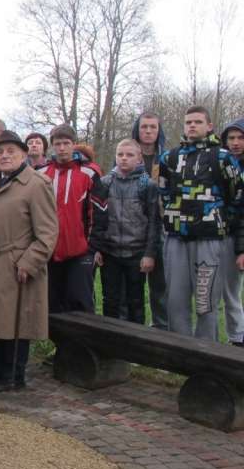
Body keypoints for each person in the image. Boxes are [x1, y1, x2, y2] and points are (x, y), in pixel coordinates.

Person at [0, 130, 58, 391]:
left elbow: (48, 232)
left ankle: (14, 374)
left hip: (16, 265)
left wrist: (29, 262)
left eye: (11, 151)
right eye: (0, 152)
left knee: (16, 323)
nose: (4, 155)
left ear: (23, 154)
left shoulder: (36, 184)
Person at [159, 106, 244, 340]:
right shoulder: (169, 157)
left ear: (209, 126)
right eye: (188, 122)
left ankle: (206, 353)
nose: (192, 126)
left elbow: (236, 195)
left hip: (210, 239)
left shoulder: (223, 157)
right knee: (175, 299)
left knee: (206, 300)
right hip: (176, 238)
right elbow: (164, 193)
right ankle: (179, 352)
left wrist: (220, 220)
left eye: (197, 122)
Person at [89, 139, 161, 324]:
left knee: (135, 301)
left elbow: (154, 222)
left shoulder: (148, 185)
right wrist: (96, 248)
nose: (124, 159)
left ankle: (135, 346)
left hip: (136, 253)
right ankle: (111, 344)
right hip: (110, 253)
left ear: (139, 159)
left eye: (129, 155)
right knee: (110, 300)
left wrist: (149, 254)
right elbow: (97, 220)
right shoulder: (105, 183)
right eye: (120, 154)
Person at [40, 124, 101, 314]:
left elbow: (98, 213)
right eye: (57, 144)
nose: (62, 148)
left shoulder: (89, 173)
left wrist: (92, 248)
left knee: (80, 302)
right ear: (52, 146)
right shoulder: (42, 174)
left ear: (74, 144)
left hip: (80, 251)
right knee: (52, 303)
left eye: (66, 143)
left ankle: (83, 343)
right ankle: (59, 343)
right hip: (49, 249)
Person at [131, 112, 168, 329]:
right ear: (138, 129)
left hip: (161, 226)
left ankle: (161, 329)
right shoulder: (127, 154)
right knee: (133, 287)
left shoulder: (166, 158)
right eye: (144, 127)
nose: (148, 131)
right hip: (134, 228)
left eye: (152, 127)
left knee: (160, 285)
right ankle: (133, 332)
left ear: (158, 131)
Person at [222, 118, 244, 347]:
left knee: (231, 292)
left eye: (240, 138)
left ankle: (237, 339)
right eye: (231, 138)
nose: (235, 143)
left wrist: (241, 249)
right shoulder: (221, 164)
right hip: (218, 235)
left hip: (236, 239)